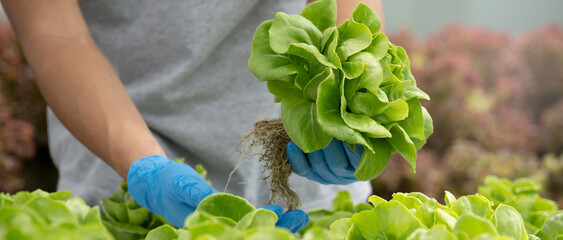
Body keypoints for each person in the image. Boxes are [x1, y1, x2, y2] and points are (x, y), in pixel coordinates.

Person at [1, 0, 384, 231]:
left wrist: (342, 111)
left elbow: (351, 12)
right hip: (125, 185)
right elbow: (56, 34)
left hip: (308, 187)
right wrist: (144, 166)